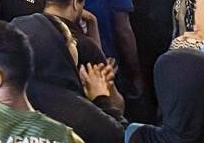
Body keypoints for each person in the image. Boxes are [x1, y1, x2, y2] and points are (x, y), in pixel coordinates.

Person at [8, 14, 125, 143]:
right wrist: (101, 99)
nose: (75, 44)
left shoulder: (2, 102)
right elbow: (121, 136)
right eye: (72, 40)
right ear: (58, 49)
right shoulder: (78, 113)